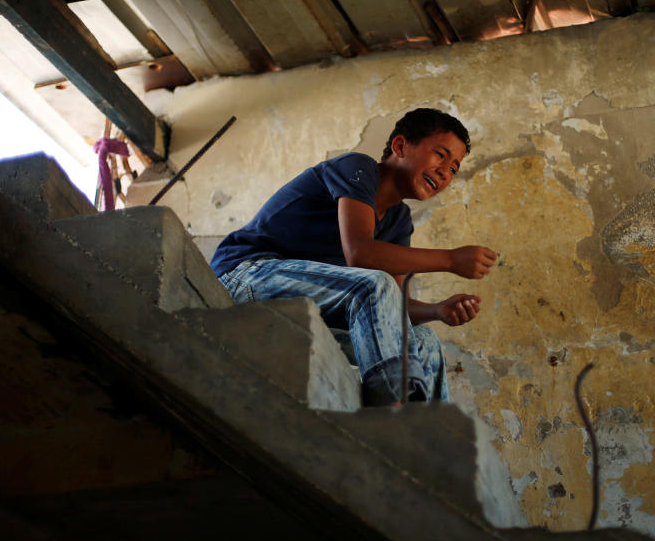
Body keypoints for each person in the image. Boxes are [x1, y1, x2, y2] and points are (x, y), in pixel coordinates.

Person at [210, 108, 497, 406]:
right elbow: (361, 253)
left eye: (453, 168)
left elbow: (392, 307)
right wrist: (450, 260)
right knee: (373, 283)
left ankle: (426, 439)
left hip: (301, 310)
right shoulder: (357, 168)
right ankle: (395, 406)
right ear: (400, 146)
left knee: (424, 340)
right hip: (247, 277)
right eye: (440, 155)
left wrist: (437, 310)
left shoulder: (399, 220)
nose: (445, 172)